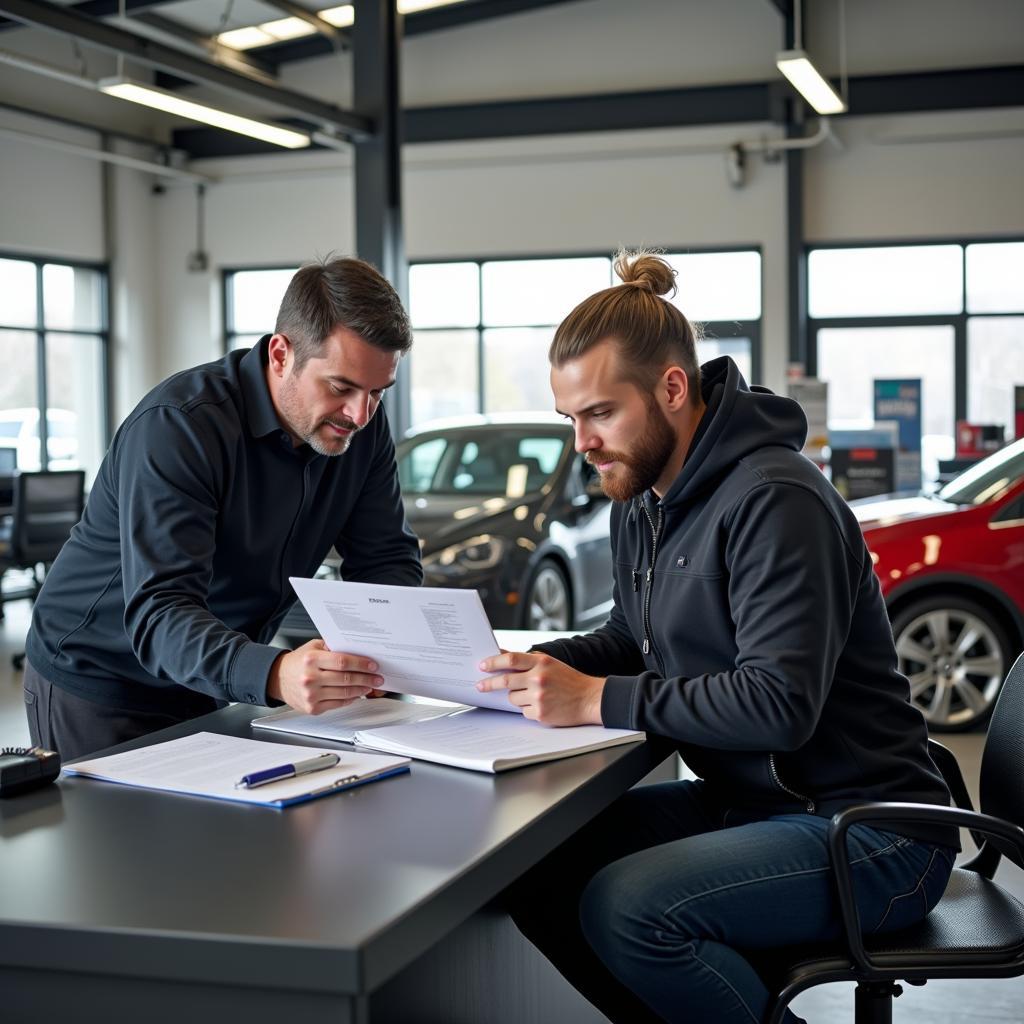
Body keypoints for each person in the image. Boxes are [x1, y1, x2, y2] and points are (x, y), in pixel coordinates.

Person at [477, 251, 957, 1024]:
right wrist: (528, 667)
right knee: (534, 868)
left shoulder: (777, 500)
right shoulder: (644, 496)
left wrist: (596, 700)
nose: (582, 443)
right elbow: (631, 639)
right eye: (571, 417)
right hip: (759, 803)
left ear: (672, 387)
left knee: (631, 908)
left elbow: (778, 706)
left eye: (600, 413)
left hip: (873, 829)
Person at [24, 256, 422, 761]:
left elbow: (385, 559)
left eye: (377, 393)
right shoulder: (179, 427)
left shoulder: (361, 427)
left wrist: (384, 653)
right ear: (281, 354)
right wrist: (276, 673)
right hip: (101, 679)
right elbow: (161, 610)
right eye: (341, 387)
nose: (360, 414)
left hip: (215, 676)